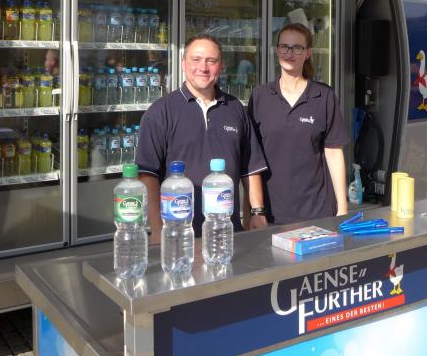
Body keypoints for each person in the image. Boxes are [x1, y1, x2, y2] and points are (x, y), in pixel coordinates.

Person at [135, 34, 268, 241]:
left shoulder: (235, 108)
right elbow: (147, 176)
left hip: (227, 231)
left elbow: (250, 169)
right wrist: (157, 228)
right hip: (178, 234)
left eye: (211, 61)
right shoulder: (160, 111)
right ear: (183, 64)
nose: (203, 68)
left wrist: (257, 212)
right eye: (196, 60)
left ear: (221, 66)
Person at [247, 23, 348, 226]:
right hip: (272, 213)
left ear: (308, 53)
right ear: (277, 50)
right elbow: (251, 161)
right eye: (284, 46)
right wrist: (252, 211)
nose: (289, 53)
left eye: (297, 48)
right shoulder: (260, 97)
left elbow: (333, 153)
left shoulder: (324, 96)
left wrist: (342, 207)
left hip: (317, 212)